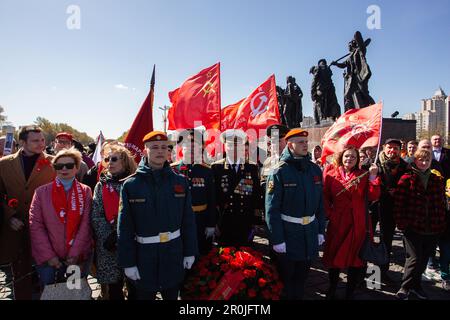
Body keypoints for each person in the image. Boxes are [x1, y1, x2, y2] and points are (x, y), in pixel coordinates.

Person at [117, 131, 198, 300]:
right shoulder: (131, 185)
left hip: (173, 255)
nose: (160, 151)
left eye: (164, 147)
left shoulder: (180, 182)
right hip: (144, 258)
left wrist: (190, 251)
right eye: (154, 147)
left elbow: (188, 221)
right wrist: (128, 262)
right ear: (145, 150)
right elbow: (124, 228)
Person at [265, 128, 326, 299]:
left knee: (302, 277)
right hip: (288, 234)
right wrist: (277, 239)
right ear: (289, 144)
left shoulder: (315, 170)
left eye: (306, 142)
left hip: (309, 234)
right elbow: (272, 209)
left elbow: (320, 204)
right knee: (285, 280)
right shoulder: (278, 171)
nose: (305, 145)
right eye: (300, 142)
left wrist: (321, 230)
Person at [0, 125, 55, 299]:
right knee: (20, 274)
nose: (41, 144)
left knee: (47, 274)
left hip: (46, 229)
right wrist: (10, 216)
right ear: (22, 142)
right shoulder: (3, 164)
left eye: (42, 140)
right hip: (15, 228)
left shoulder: (55, 162)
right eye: (35, 140)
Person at [29, 148, 92, 289]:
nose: (64, 169)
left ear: (76, 168)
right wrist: (49, 256)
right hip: (49, 260)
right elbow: (35, 225)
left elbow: (86, 224)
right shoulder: (41, 192)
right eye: (59, 166)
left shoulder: (86, 191)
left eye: (69, 165)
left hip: (77, 258)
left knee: (74, 292)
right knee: (52, 292)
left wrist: (75, 254)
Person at [322, 146, 380, 299]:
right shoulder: (331, 174)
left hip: (358, 222)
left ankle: (350, 291)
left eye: (353, 157)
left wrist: (373, 177)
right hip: (338, 222)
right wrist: (330, 214)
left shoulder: (363, 175)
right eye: (347, 156)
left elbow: (373, 196)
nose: (349, 159)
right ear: (341, 157)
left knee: (356, 259)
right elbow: (324, 197)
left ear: (357, 160)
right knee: (335, 257)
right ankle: (332, 287)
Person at [394, 149, 447, 300]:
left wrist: (441, 221)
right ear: (415, 161)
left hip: (433, 227)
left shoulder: (436, 179)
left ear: (431, 162)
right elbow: (399, 204)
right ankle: (405, 287)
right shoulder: (406, 178)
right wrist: (402, 223)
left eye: (427, 160)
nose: (424, 163)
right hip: (413, 226)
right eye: (421, 160)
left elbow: (441, 202)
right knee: (414, 258)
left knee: (424, 259)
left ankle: (416, 286)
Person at [91, 145, 137, 300]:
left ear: (125, 162)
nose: (109, 162)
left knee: (135, 287)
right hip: (109, 246)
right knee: (114, 290)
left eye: (114, 159)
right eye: (107, 159)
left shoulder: (135, 184)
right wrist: (108, 236)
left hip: (133, 243)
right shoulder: (101, 185)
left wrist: (123, 235)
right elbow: (96, 215)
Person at [211, 129, 262, 247]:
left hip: (245, 221)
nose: (234, 149)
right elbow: (213, 198)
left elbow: (256, 196)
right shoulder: (216, 168)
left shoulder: (251, 168)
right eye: (230, 145)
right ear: (225, 147)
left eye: (238, 146)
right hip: (224, 222)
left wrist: (256, 221)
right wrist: (214, 223)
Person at [171, 129, 216, 256]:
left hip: (200, 222)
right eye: (187, 144)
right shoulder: (172, 170)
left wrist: (211, 224)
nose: (191, 148)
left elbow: (212, 199)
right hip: (177, 222)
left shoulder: (206, 171)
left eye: (195, 145)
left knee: (201, 257)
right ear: (181, 147)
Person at [376, 138, 409, 283]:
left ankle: (383, 272)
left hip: (397, 208)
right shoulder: (376, 163)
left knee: (387, 241)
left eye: (395, 148)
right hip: (377, 207)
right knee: (376, 241)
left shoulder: (405, 166)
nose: (392, 150)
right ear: (384, 147)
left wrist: (398, 191)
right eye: (389, 147)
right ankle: (370, 274)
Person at [331, 31, 375, 111]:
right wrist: (336, 64)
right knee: (348, 95)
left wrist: (357, 37)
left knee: (363, 92)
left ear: (353, 45)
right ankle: (354, 110)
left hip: (359, 76)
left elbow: (362, 43)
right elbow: (343, 65)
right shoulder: (350, 57)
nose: (348, 47)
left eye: (349, 45)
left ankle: (373, 107)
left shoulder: (359, 51)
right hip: (352, 79)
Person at [310, 59, 341, 125]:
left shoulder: (318, 68)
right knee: (332, 104)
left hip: (321, 90)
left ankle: (321, 120)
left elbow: (314, 81)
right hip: (330, 89)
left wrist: (312, 93)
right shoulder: (327, 68)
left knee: (319, 105)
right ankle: (335, 118)